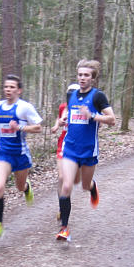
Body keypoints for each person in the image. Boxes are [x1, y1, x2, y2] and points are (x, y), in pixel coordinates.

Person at [56, 59, 116, 241]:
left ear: (93, 78)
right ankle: (64, 228)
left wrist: (93, 116)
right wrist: (62, 121)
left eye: (86, 75)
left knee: (83, 185)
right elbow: (68, 114)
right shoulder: (72, 95)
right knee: (66, 185)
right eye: (80, 75)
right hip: (70, 148)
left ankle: (92, 187)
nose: (82, 78)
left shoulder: (98, 97)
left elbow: (112, 119)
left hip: (89, 150)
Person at [0, 74, 43, 239]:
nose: (8, 90)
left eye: (11, 87)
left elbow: (38, 128)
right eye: (6, 87)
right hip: (3, 153)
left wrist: (20, 128)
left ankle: (27, 188)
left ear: (19, 90)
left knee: (19, 187)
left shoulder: (25, 107)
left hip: (21, 154)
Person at [51, 84, 81, 221]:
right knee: (62, 177)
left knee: (74, 180)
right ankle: (62, 208)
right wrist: (57, 125)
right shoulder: (63, 107)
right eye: (70, 93)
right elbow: (60, 119)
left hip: (79, 145)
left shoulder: (84, 107)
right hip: (63, 143)